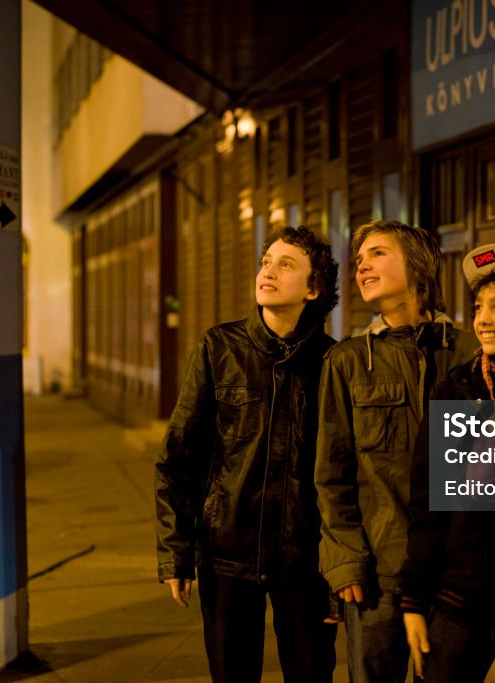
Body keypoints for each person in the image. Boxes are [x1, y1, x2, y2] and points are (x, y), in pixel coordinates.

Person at [155, 226, 340, 683]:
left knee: (312, 672)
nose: (268, 272)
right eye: (266, 262)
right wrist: (175, 553)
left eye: (286, 264)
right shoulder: (219, 348)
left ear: (313, 288)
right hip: (226, 552)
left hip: (306, 560)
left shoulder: (334, 361)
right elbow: (179, 456)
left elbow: (344, 468)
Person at [315, 220, 479, 683]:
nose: (362, 264)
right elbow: (331, 475)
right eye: (360, 257)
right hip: (378, 573)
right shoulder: (347, 360)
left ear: (419, 266)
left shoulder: (467, 353)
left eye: (378, 253)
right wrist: (345, 561)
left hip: (453, 574)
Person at [400, 244, 495, 683]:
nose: (483, 319)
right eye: (479, 306)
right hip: (459, 597)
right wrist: (413, 598)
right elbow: (429, 501)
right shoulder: (458, 389)